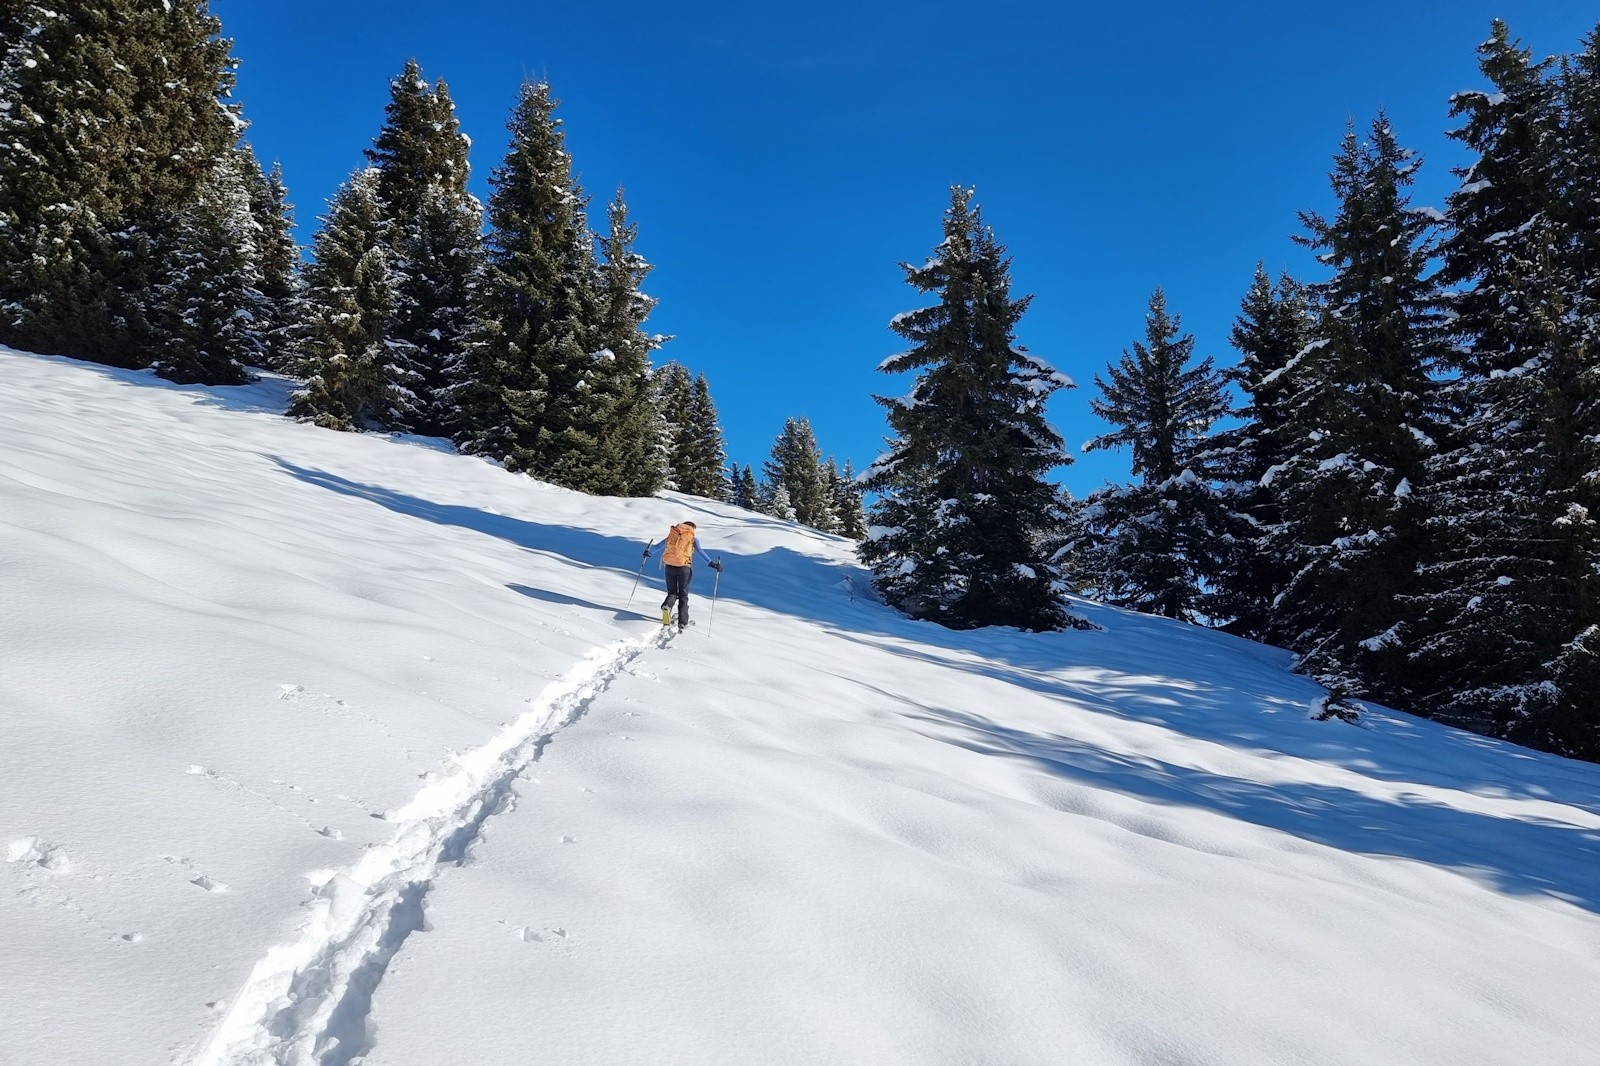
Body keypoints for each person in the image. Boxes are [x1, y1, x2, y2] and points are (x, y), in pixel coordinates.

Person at [643, 520, 722, 629]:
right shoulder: (692, 538)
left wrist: (649, 552)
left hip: (670, 566)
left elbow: (658, 546)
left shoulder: (673, 534)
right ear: (692, 529)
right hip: (684, 568)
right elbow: (700, 551)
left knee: (672, 592)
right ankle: (682, 622)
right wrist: (712, 564)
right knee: (683, 595)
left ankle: (667, 606)